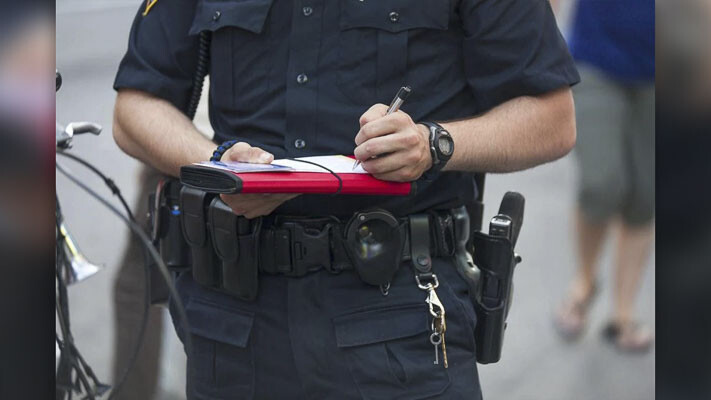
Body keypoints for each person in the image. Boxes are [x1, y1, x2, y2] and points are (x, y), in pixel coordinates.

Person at [112, 0, 578, 398]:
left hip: (398, 316)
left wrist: (432, 143)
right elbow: (135, 107)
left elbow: (551, 119)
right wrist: (219, 166)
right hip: (235, 318)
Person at [552, 0, 655, 352]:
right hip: (596, 60)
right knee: (601, 184)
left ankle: (622, 314)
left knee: (647, 194)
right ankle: (583, 284)